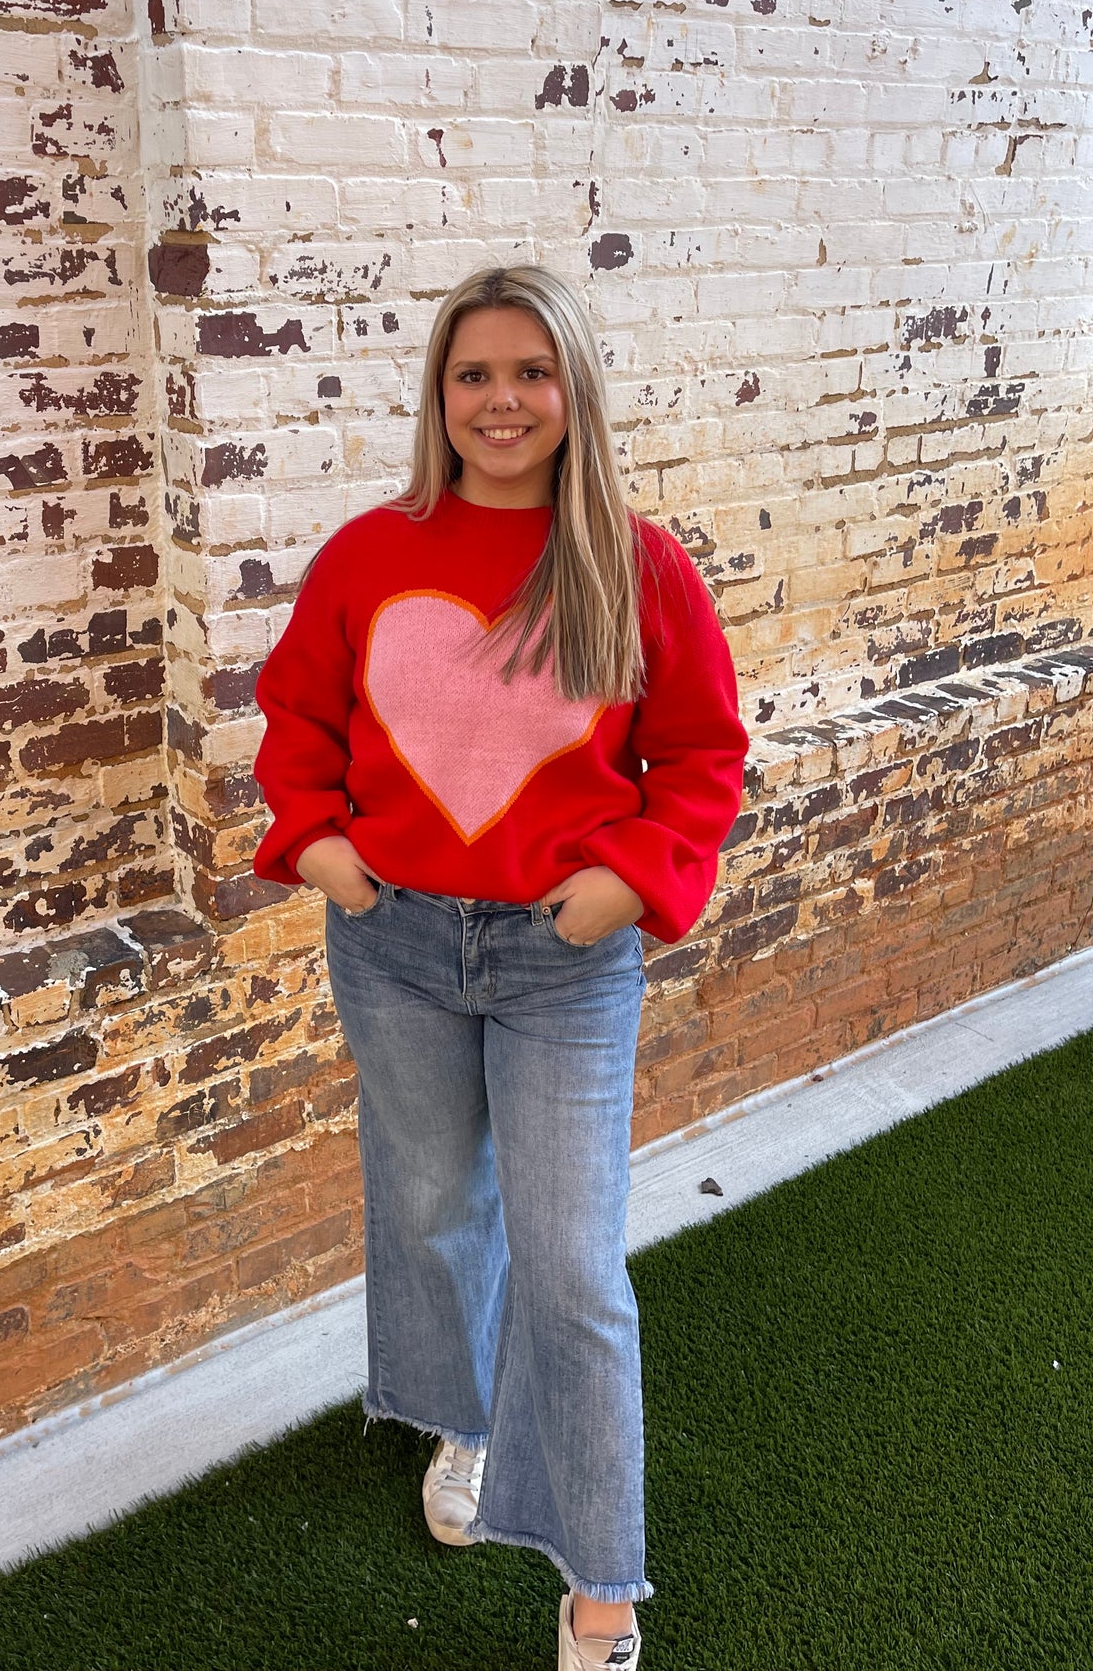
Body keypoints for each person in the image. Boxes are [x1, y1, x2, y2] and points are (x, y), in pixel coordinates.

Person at [251, 265, 748, 1670]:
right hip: (393, 939)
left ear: (573, 390)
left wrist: (628, 884)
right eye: (475, 374)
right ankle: (465, 1420)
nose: (503, 400)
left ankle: (603, 1589)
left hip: (562, 962)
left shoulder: (634, 564)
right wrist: (320, 847)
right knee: (425, 1201)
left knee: (574, 1264)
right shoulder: (367, 554)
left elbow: (701, 759)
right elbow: (297, 717)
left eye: (532, 372)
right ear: (439, 396)